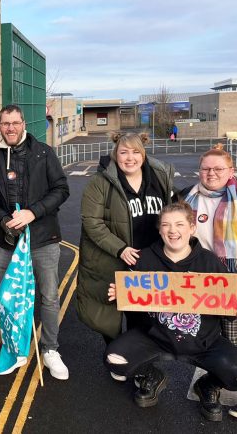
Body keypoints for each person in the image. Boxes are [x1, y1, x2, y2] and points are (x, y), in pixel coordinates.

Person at [105, 202, 237, 422]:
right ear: (159, 229)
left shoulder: (210, 262)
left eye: (179, 224)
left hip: (203, 342)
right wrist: (121, 294)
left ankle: (207, 385)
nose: (172, 230)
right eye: (166, 225)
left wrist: (235, 308)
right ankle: (152, 376)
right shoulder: (144, 259)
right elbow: (133, 299)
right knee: (114, 360)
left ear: (192, 228)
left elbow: (225, 306)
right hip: (155, 338)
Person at [181, 144, 237, 419]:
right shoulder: (185, 198)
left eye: (218, 169)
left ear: (231, 172)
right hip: (196, 288)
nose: (211, 173)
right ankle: (211, 384)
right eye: (206, 168)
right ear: (199, 170)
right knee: (207, 342)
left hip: (234, 290)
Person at [0, 104, 70, 379]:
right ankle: (15, 347)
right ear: (0, 126)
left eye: (15, 123)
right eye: (5, 123)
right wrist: (3, 219)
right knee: (4, 295)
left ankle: (50, 349)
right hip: (9, 241)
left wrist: (34, 212)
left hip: (42, 239)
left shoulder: (43, 152)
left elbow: (61, 189)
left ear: (24, 124)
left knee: (48, 296)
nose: (10, 128)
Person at [77, 132, 174, 343]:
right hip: (113, 258)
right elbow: (92, 222)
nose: (130, 158)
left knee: (142, 315)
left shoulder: (160, 176)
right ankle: (116, 357)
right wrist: (120, 249)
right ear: (115, 154)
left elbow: (173, 209)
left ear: (144, 153)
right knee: (109, 317)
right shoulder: (100, 183)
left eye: (135, 152)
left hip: (149, 258)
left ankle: (134, 360)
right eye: (123, 152)